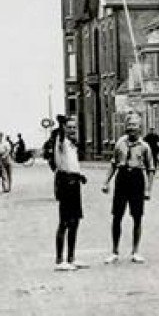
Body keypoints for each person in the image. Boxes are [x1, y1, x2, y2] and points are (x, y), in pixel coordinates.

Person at [102, 113, 154, 263]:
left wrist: (148, 189)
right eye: (129, 125)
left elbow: (151, 169)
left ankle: (135, 251)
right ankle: (114, 251)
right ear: (126, 127)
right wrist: (106, 182)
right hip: (122, 178)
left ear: (140, 128)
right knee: (117, 216)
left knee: (137, 217)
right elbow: (113, 163)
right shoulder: (120, 143)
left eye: (135, 125)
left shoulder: (145, 147)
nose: (131, 128)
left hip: (137, 178)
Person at [49, 116, 87, 270]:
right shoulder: (61, 142)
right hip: (65, 182)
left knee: (75, 221)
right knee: (64, 221)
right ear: (63, 128)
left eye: (74, 127)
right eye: (69, 127)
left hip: (75, 182)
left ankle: (71, 258)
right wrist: (61, 124)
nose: (72, 130)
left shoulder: (72, 145)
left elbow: (73, 164)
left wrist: (80, 175)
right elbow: (60, 137)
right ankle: (60, 260)